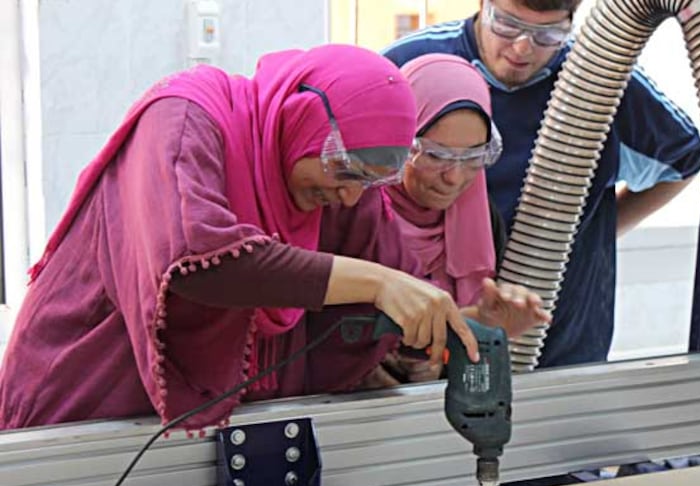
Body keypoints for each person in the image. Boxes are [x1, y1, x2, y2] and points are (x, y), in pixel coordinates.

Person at [0, 44, 489, 431]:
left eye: (367, 182)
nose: (347, 197)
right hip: (89, 408)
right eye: (344, 173)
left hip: (230, 434)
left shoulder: (347, 172)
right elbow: (195, 259)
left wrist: (424, 335)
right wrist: (377, 284)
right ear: (301, 119)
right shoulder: (183, 119)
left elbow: (389, 281)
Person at [382, 0, 700, 368]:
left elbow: (685, 160)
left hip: (563, 338)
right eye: (506, 24)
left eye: (548, 33)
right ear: (483, 5)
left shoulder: (601, 81)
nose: (523, 47)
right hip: (423, 350)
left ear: (572, 21)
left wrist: (589, 235)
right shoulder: (410, 65)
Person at [347, 53, 551, 390]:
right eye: (435, 155)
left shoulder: (482, 219)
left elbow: (463, 332)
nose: (454, 178)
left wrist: (448, 355)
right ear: (398, 143)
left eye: (473, 158)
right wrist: (361, 366)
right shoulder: (351, 206)